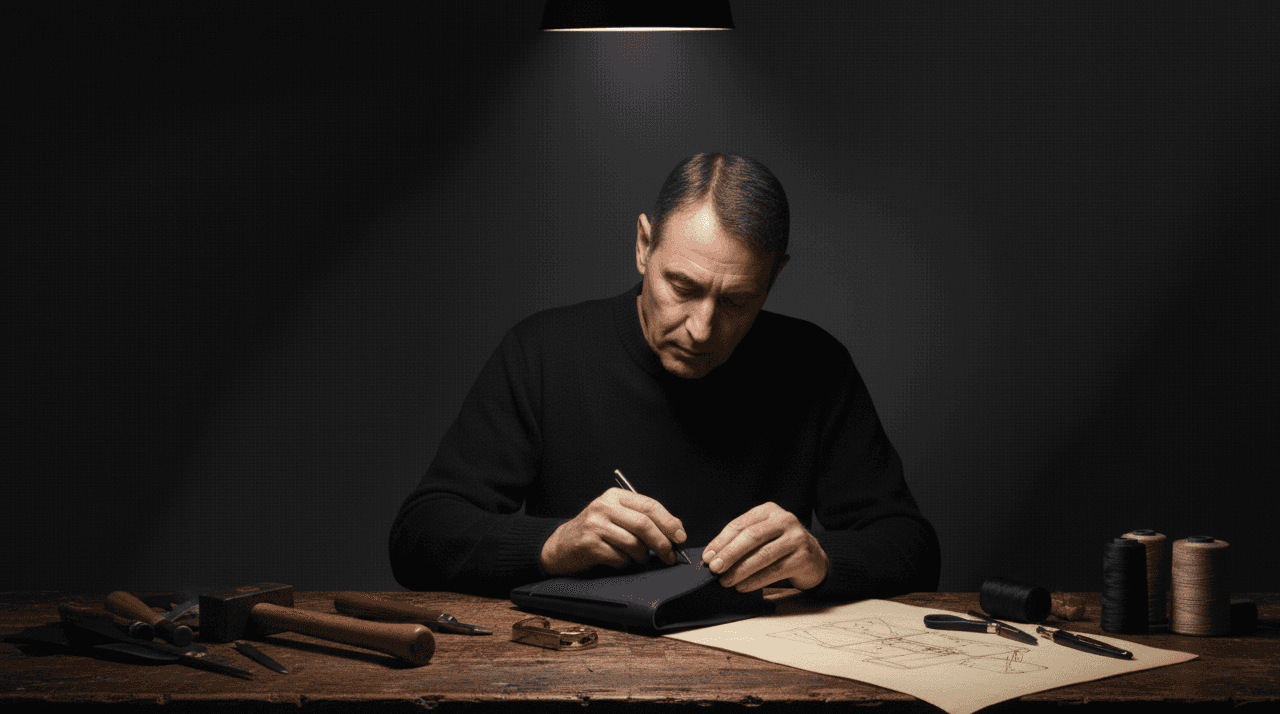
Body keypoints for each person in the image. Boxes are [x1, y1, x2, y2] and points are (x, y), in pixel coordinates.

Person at [389, 152, 940, 600]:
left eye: (737, 301)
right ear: (643, 245)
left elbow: (913, 550)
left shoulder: (816, 365)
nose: (702, 329)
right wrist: (553, 544)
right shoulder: (542, 351)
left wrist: (822, 559)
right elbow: (419, 536)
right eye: (683, 287)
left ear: (775, 279)